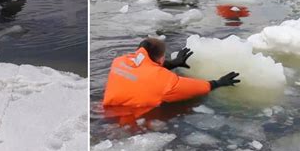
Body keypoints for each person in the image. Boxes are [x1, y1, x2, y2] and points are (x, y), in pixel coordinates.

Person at [103, 38, 240, 108]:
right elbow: (197, 87)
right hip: (129, 117)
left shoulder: (119, 61)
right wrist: (218, 83)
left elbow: (144, 67)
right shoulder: (165, 81)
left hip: (106, 109)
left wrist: (174, 63)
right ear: (161, 58)